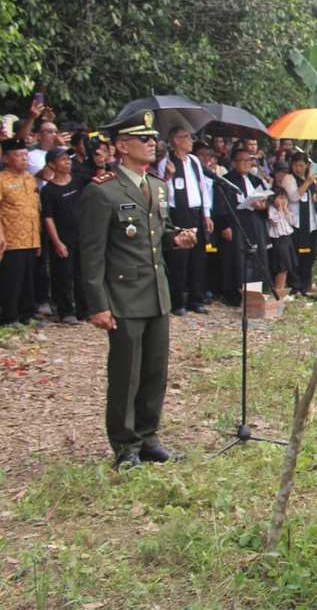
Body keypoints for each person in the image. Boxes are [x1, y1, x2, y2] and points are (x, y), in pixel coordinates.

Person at [78, 109, 198, 468]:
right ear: (121, 146)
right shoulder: (103, 193)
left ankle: (149, 437)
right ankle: (125, 444)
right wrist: (98, 304)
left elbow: (159, 237)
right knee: (125, 374)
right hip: (123, 296)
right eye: (142, 138)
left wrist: (180, 239)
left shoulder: (158, 188)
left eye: (152, 138)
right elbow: (92, 254)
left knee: (155, 372)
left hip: (156, 292)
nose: (151, 143)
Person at [160, 127, 211, 316]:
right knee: (179, 258)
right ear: (176, 140)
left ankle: (195, 299)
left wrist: (206, 213)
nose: (191, 141)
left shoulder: (194, 161)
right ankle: (177, 301)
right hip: (178, 212)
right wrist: (169, 176)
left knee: (198, 258)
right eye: (187, 137)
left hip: (195, 211)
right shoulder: (166, 161)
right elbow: (164, 192)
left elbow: (202, 187)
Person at [213, 146, 270, 305]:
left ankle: (254, 292)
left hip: (255, 221)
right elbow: (220, 204)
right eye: (242, 160)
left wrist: (263, 206)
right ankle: (234, 294)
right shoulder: (226, 180)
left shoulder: (256, 180)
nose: (246, 163)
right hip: (236, 222)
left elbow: (266, 201)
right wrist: (225, 225)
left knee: (257, 256)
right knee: (237, 258)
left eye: (248, 160)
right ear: (234, 162)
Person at [40, 148, 86, 323]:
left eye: (68, 159)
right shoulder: (48, 190)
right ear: (52, 164)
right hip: (62, 237)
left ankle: (84, 309)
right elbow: (48, 218)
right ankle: (66, 311)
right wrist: (57, 242)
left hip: (81, 235)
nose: (67, 162)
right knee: (63, 275)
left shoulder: (79, 181)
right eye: (62, 159)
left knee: (81, 274)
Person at [0, 138, 41, 325]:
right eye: (18, 155)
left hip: (31, 237)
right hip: (10, 238)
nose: (24, 159)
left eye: (25, 155)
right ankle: (10, 316)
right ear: (6, 158)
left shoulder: (29, 178)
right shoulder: (2, 179)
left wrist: (38, 238)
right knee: (11, 279)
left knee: (29, 279)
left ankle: (27, 314)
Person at [285, 152, 317, 295]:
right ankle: (295, 285)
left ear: (307, 166)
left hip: (311, 222)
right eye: (295, 165)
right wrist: (307, 182)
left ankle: (306, 285)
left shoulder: (311, 180)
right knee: (296, 255)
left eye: (301, 165)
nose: (298, 168)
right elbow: (294, 196)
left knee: (309, 254)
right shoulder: (289, 178)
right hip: (296, 223)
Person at [267, 186, 297, 297]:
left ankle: (282, 291)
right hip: (277, 239)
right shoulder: (271, 209)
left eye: (284, 198)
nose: (282, 201)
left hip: (287, 237)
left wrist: (285, 210)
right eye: (280, 197)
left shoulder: (285, 209)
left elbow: (293, 222)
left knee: (287, 267)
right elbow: (274, 221)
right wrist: (280, 209)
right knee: (281, 267)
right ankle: (278, 292)